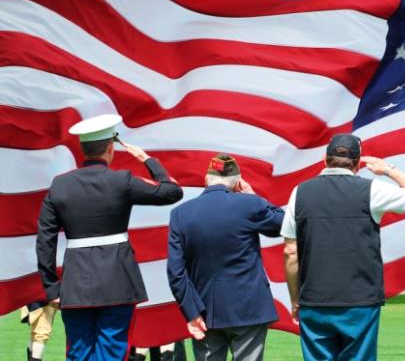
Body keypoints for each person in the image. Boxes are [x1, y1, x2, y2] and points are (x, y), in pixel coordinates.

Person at [36, 114, 184, 361]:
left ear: (83, 149)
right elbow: (172, 192)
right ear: (109, 148)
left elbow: (45, 239)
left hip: (76, 284)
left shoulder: (60, 185)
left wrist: (51, 287)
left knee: (78, 354)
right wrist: (147, 159)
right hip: (118, 281)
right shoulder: (121, 180)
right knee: (114, 352)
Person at [282, 134, 405, 360]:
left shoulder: (299, 193)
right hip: (360, 300)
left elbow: (290, 252)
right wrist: (388, 169)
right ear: (358, 162)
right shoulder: (371, 190)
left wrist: (295, 299)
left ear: (325, 159)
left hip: (314, 299)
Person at [167, 153, 284, 361]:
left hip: (204, 310)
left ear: (206, 180)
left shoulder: (180, 214)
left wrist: (191, 312)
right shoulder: (249, 204)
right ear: (237, 182)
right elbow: (284, 224)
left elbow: (176, 272)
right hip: (248, 308)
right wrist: (254, 195)